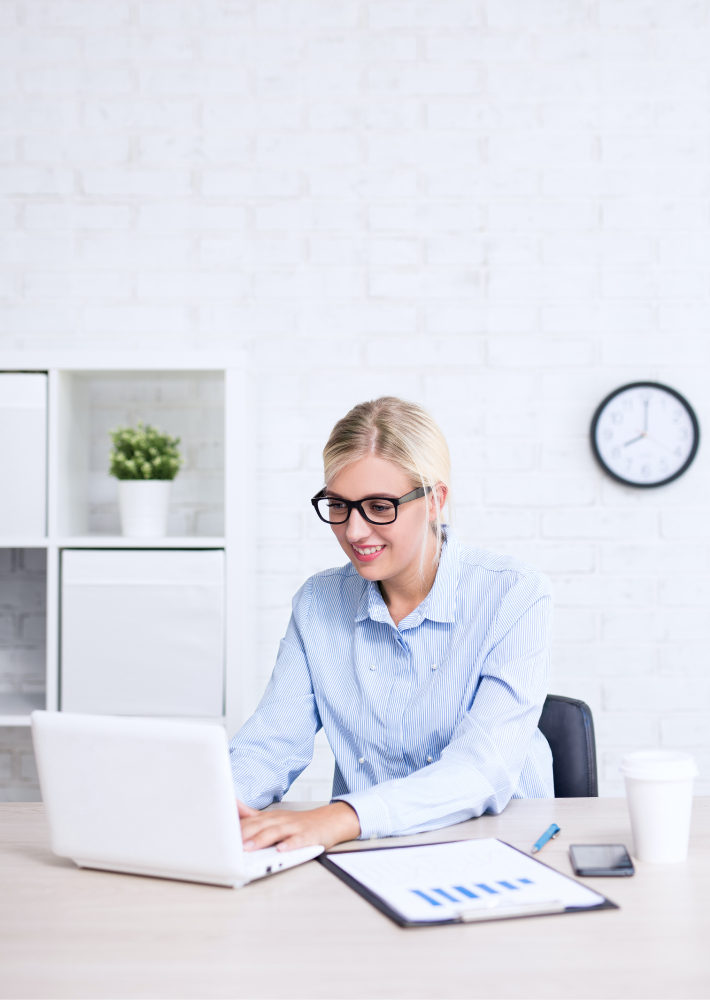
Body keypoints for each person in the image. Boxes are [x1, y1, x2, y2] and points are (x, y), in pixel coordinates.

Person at [229, 397, 553, 854]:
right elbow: (270, 746)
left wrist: (344, 816)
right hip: (371, 852)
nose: (355, 531)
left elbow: (482, 768)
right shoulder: (319, 604)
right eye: (338, 505)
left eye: (380, 507)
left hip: (507, 848)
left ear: (435, 500)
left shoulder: (513, 594)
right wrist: (215, 805)